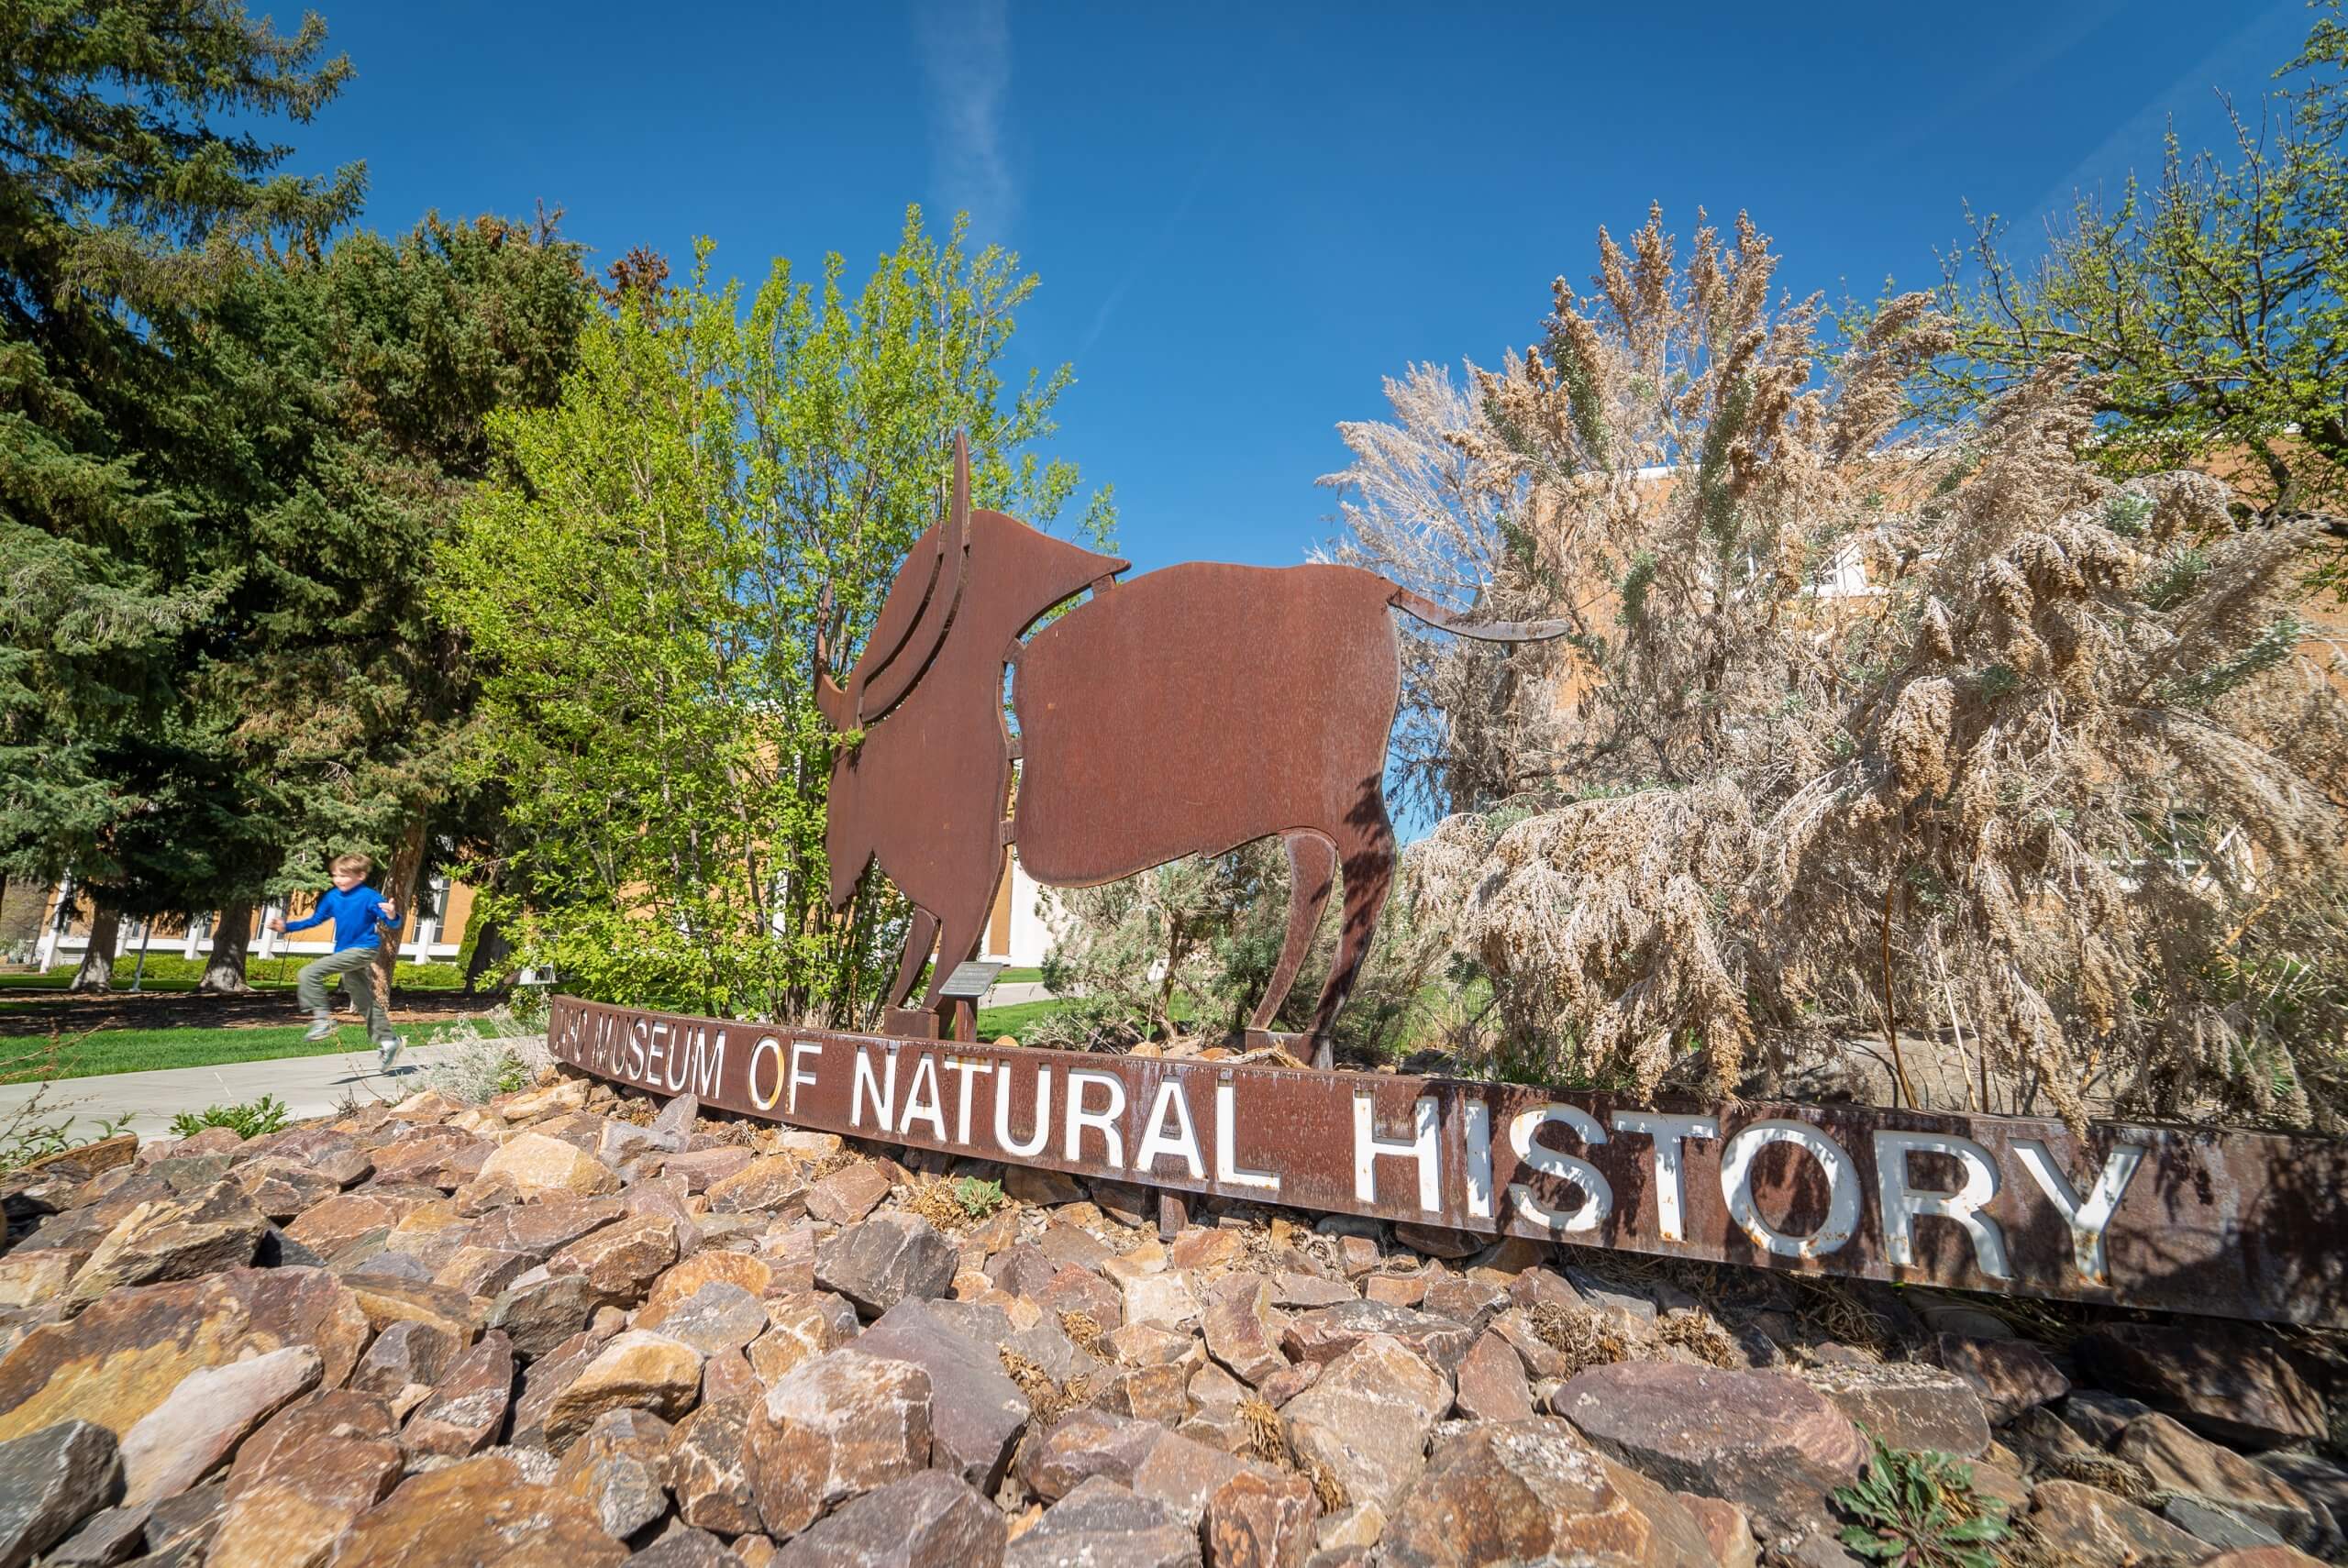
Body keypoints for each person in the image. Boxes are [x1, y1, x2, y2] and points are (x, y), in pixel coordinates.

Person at [270, 853, 404, 1069]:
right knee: (362, 998)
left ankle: (322, 1020)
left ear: (360, 876)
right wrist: (287, 927)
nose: (338, 880)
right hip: (345, 951)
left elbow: (395, 924)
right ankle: (389, 1041)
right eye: (335, 875)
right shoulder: (333, 897)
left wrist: (391, 914)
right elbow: (315, 920)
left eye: (344, 875)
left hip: (364, 949)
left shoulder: (370, 896)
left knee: (309, 973)